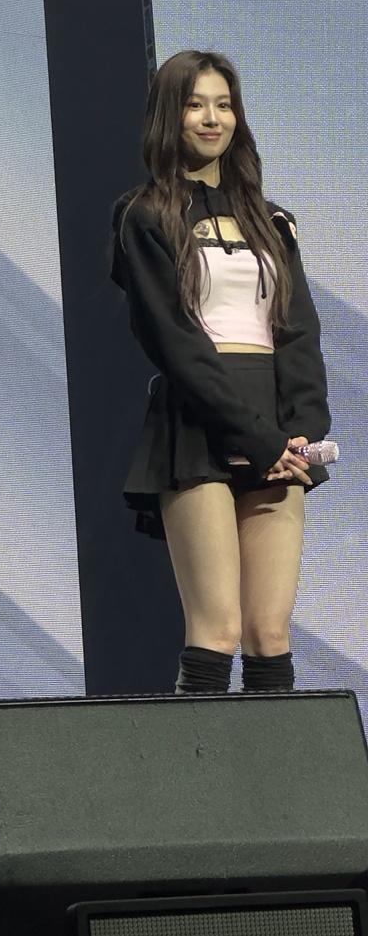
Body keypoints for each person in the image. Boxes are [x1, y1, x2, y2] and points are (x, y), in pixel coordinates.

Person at [112, 50, 330, 697]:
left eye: (224, 104)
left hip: (279, 430)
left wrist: (301, 432)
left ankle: (276, 764)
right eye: (196, 104)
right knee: (218, 629)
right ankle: (195, 764)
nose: (212, 118)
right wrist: (257, 437)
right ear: (169, 116)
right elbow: (173, 341)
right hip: (197, 423)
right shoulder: (144, 215)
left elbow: (297, 331)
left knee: (270, 632)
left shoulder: (272, 220)